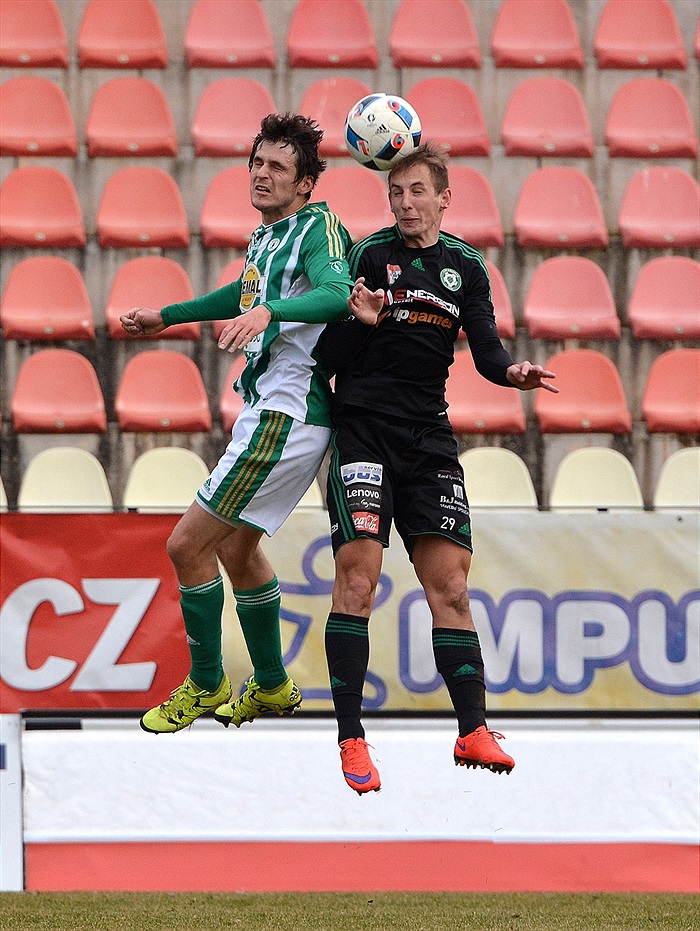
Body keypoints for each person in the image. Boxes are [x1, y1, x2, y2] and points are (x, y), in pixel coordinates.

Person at [319, 143, 558, 794]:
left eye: (417, 191)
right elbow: (328, 355)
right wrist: (362, 323)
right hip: (363, 430)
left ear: (444, 198)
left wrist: (513, 372)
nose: (405, 204)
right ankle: (351, 738)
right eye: (396, 193)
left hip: (428, 439)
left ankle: (472, 729)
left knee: (450, 588)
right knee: (358, 580)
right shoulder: (369, 256)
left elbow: (486, 352)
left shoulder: (467, 267)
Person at [120, 113, 354, 734]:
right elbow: (243, 297)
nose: (261, 174)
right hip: (271, 408)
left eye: (278, 167)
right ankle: (272, 685)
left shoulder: (319, 227)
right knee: (235, 547)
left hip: (288, 412)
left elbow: (338, 295)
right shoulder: (268, 236)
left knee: (186, 545)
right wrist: (169, 315)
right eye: (257, 162)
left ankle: (206, 682)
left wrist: (271, 311)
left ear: (306, 183)